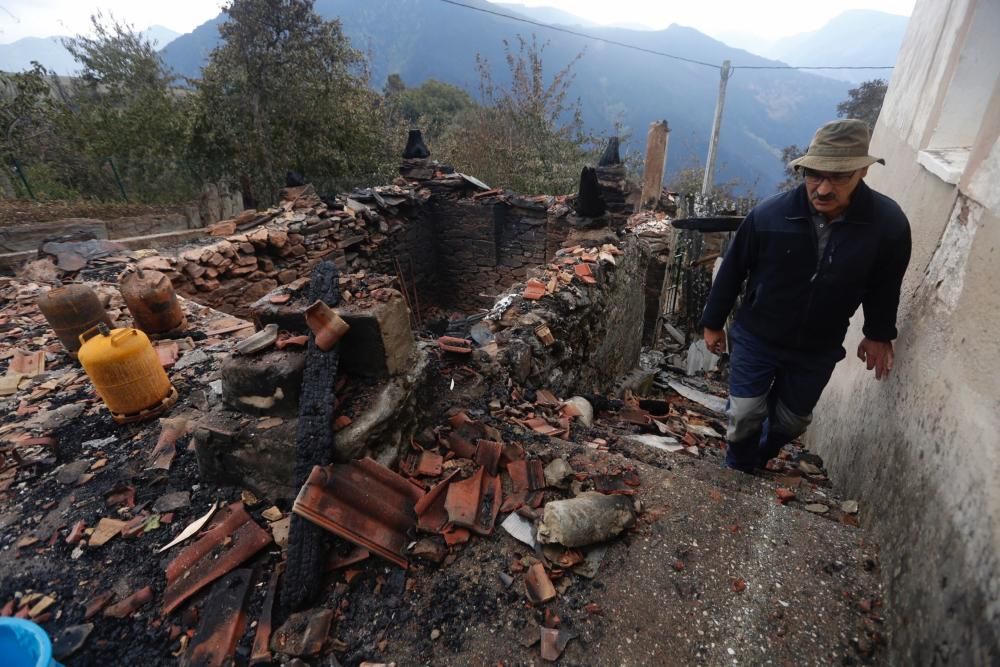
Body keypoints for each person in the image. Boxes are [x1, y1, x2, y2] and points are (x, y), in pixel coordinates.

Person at [699, 119, 911, 473]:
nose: (823, 189)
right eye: (814, 175)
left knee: (791, 422)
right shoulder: (769, 215)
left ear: (862, 171)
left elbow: (886, 283)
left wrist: (877, 333)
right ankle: (737, 470)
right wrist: (713, 322)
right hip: (757, 334)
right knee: (745, 412)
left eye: (839, 177)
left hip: (818, 345)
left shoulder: (887, 225)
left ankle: (758, 457)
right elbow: (734, 268)